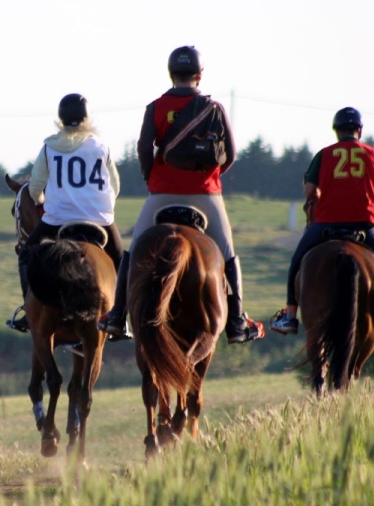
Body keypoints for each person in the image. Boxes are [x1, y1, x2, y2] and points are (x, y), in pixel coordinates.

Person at [97, 46, 264, 344]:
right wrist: (210, 178)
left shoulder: (156, 107)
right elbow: (231, 155)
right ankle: (237, 322)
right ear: (200, 76)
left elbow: (143, 148)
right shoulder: (214, 108)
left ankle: (117, 316)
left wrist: (153, 178)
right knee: (227, 255)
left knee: (133, 253)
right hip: (206, 195)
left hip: (162, 193)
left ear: (171, 74)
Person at [269, 106, 374, 346]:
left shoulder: (324, 154)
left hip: (327, 222)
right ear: (359, 130)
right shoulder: (373, 155)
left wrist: (325, 196)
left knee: (297, 261)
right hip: (365, 225)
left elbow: (309, 191)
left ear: (336, 131)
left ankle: (289, 316)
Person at [6, 93, 125, 332]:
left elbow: (36, 188)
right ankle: (119, 318)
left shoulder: (49, 147)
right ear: (87, 118)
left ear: (60, 119)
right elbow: (115, 186)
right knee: (122, 260)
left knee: (26, 254)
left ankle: (29, 313)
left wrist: (43, 202)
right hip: (99, 219)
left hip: (58, 218)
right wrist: (99, 205)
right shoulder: (101, 146)